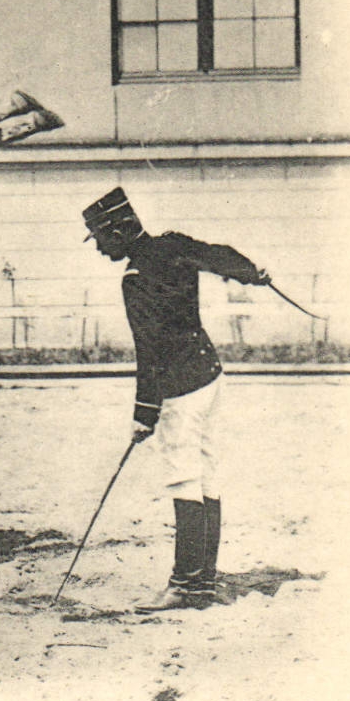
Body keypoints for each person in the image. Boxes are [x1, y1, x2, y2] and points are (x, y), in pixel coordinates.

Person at [82, 187, 273, 611]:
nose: (98, 247)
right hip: (210, 374)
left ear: (118, 230)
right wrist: (250, 272)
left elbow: (148, 349)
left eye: (99, 236)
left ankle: (186, 585)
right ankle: (204, 579)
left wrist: (143, 415)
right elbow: (217, 254)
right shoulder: (172, 245)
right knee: (207, 472)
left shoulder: (134, 280)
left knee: (184, 476)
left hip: (180, 390)